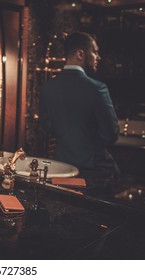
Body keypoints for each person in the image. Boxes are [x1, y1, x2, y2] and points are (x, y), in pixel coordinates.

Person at [39, 32, 120, 183]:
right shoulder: (97, 89)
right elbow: (111, 135)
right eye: (95, 52)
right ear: (80, 54)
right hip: (95, 172)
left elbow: (47, 126)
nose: (99, 57)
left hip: (61, 168)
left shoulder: (47, 88)